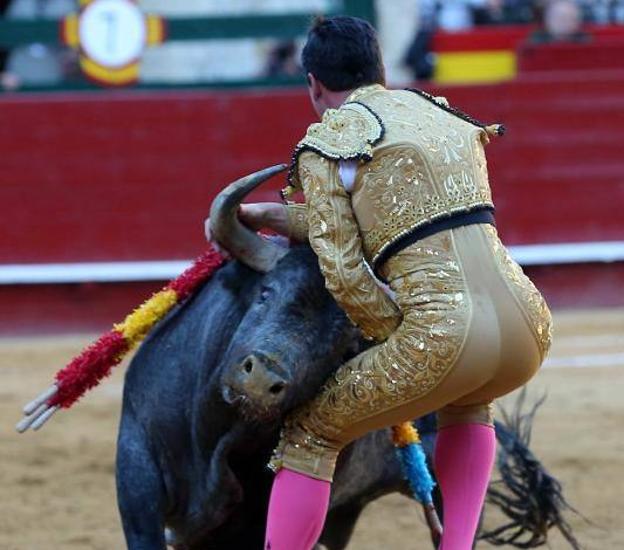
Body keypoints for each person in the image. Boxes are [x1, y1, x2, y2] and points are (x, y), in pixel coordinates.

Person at [205, 15, 552, 550]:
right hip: (526, 322)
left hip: (445, 336)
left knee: (311, 433)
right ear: (381, 69)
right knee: (467, 402)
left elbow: (342, 270)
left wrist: (395, 335)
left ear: (314, 85)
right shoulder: (438, 113)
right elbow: (400, 219)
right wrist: (278, 217)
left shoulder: (330, 141)